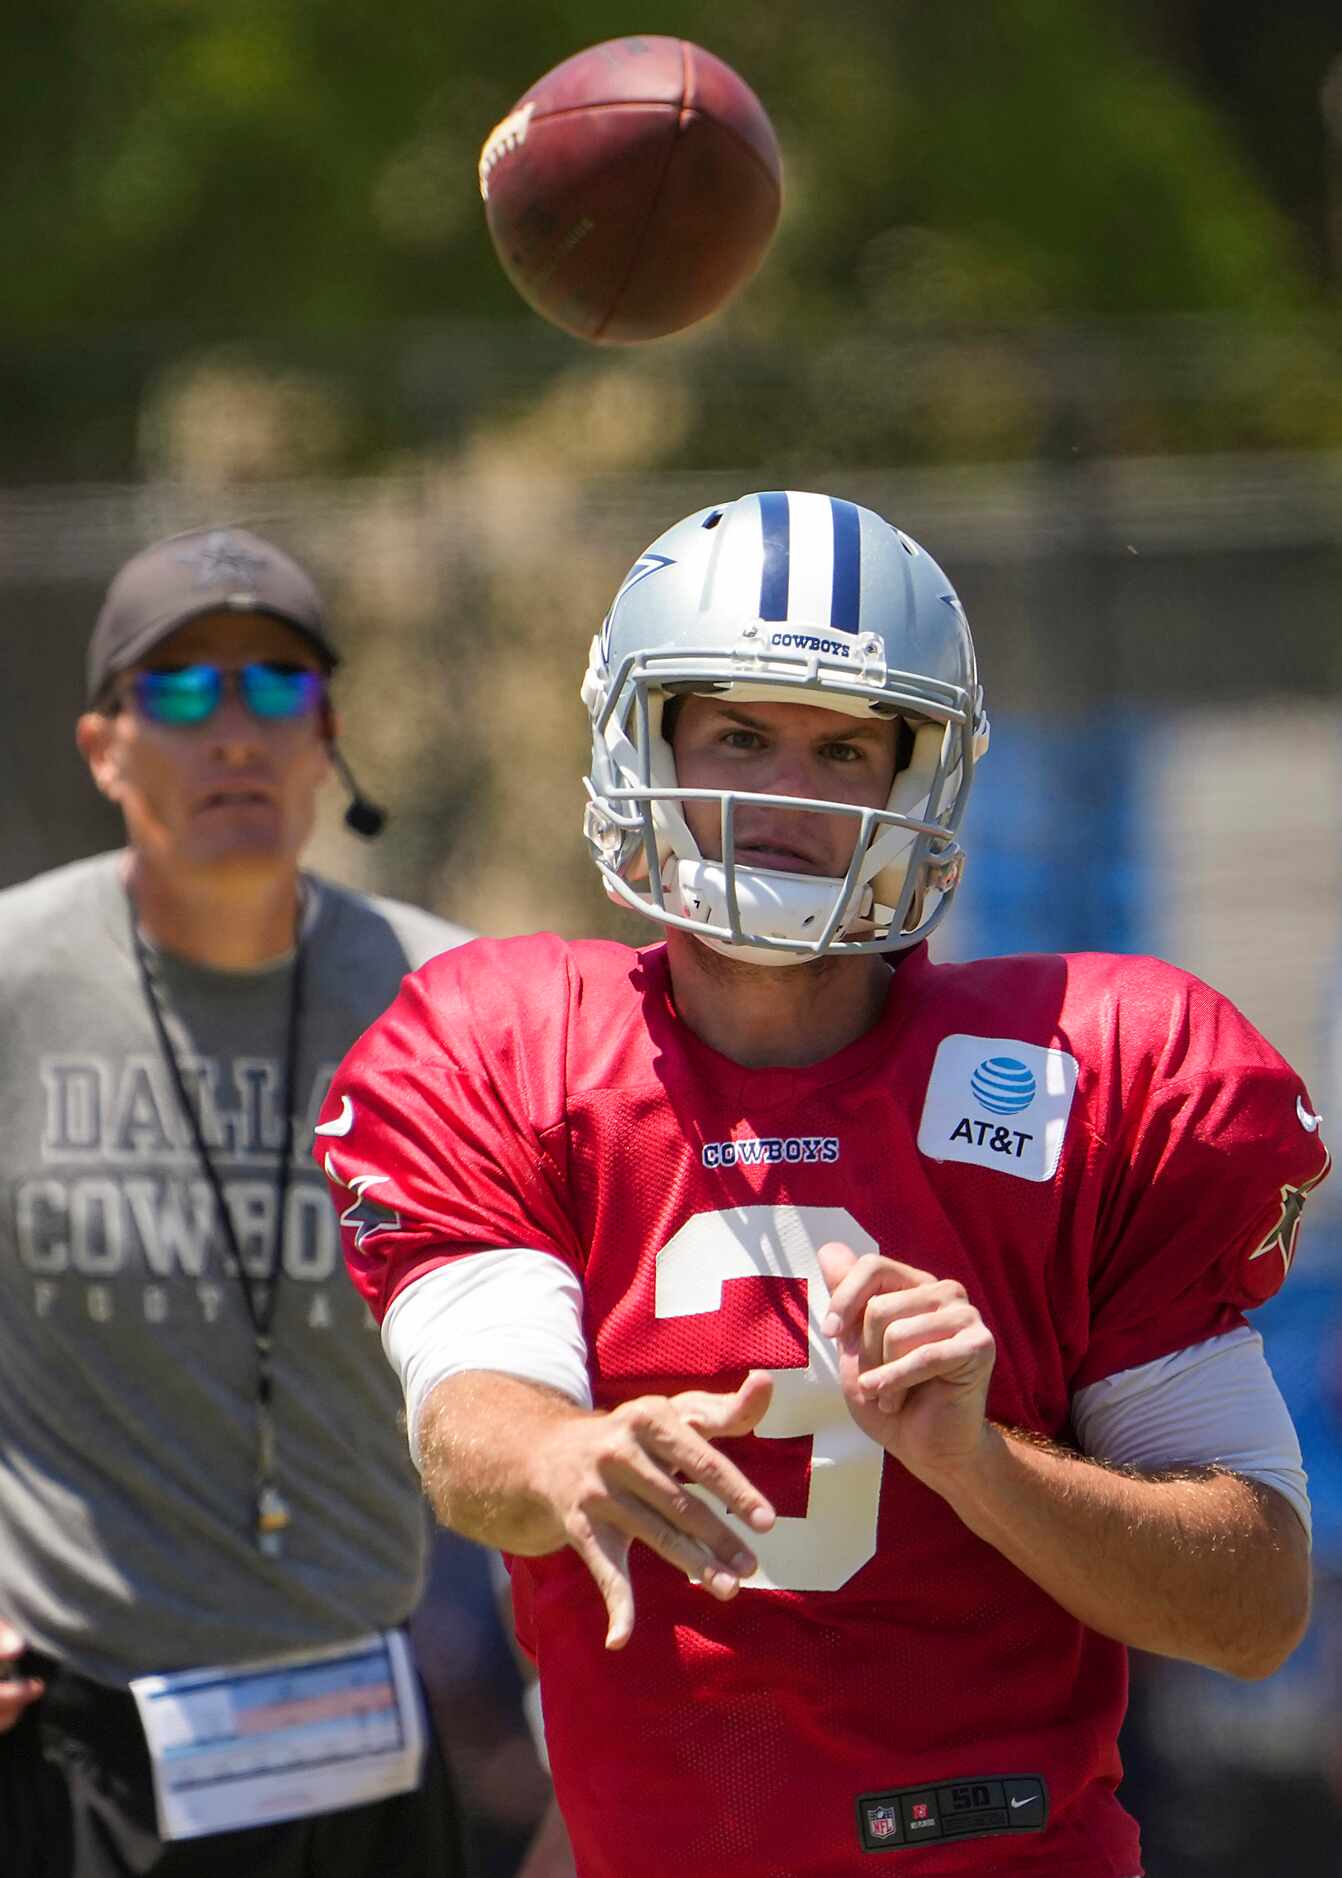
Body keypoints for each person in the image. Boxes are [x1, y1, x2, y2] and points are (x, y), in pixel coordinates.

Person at [316, 491, 1327, 1878]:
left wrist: (984, 1463)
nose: (783, 796)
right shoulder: (509, 1048)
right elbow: (471, 1428)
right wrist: (566, 1452)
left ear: (915, 780)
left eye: (841, 747)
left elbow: (1252, 1607)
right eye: (738, 734)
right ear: (641, 737)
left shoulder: (1092, 1071)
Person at [0, 525, 474, 1877]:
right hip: (72, 1737)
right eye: (181, 691)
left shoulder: (446, 1001)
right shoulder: (14, 980)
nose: (235, 730)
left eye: (276, 686)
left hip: (360, 1734)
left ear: (325, 734)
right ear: (104, 746)